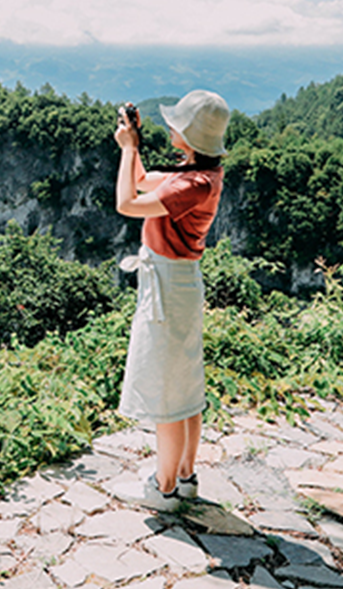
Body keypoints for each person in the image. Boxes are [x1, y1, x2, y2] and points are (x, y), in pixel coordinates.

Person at [111, 90, 230, 511]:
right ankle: (185, 477)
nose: (171, 126)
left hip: (168, 286)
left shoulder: (193, 185)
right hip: (179, 284)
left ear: (191, 136)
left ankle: (162, 490)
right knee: (185, 386)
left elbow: (127, 202)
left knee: (166, 390)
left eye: (178, 123)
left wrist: (127, 150)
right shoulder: (199, 175)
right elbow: (143, 181)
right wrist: (135, 145)